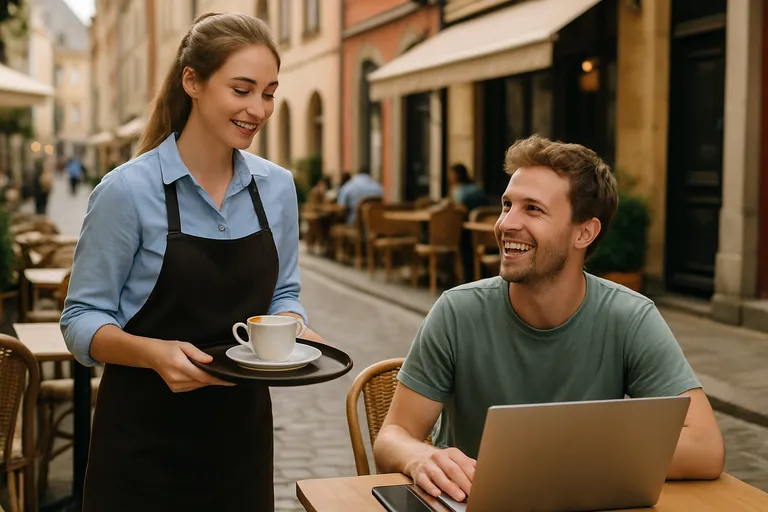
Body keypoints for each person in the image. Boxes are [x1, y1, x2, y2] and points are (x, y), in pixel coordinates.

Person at [60, 13, 321, 511]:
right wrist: (154, 354)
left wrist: (291, 329)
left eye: (268, 92)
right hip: (141, 445)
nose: (258, 109)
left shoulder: (278, 188)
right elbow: (80, 321)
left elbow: (285, 291)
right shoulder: (127, 191)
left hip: (240, 441)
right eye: (241, 89)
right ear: (192, 81)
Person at [373, 135, 725, 503]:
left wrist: (560, 460)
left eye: (533, 209)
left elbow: (705, 447)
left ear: (584, 233)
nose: (506, 223)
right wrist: (420, 456)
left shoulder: (629, 317)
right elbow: (392, 436)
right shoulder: (457, 311)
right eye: (507, 205)